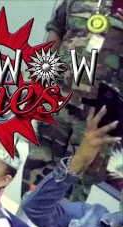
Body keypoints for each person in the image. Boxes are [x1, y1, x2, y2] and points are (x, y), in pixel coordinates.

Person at [26, 0, 123, 199]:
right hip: (57, 102)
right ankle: (24, 216)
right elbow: (56, 30)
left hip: (98, 118)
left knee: (74, 187)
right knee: (36, 173)